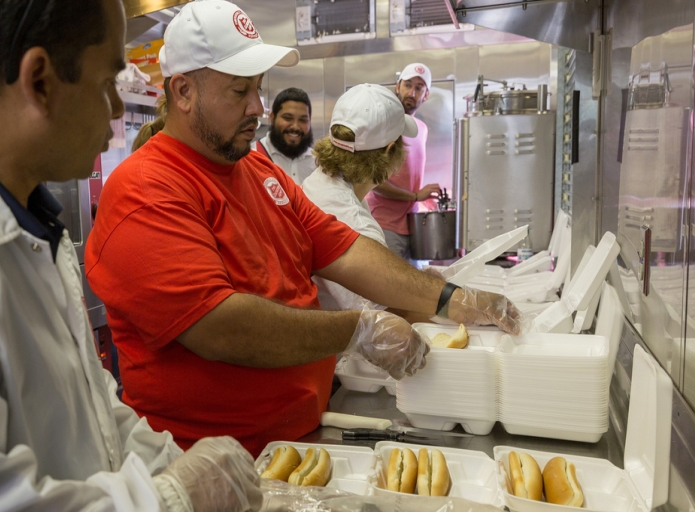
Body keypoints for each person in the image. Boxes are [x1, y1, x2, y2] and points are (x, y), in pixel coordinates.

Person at [85, 0, 523, 458]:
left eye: (258, 88)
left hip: (298, 444)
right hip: (212, 465)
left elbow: (345, 249)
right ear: (183, 91)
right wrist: (356, 330)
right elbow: (219, 327)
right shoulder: (146, 188)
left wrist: (451, 299)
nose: (258, 108)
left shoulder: (257, 168)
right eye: (240, 92)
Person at [0, 0, 262, 510]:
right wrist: (167, 496)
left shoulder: (37, 229)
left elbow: (93, 409)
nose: (119, 110)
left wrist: (178, 460)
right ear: (40, 81)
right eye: (106, 84)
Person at [303, 83, 412, 310]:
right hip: (340, 341)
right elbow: (381, 319)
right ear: (389, 150)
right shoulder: (358, 227)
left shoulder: (322, 181)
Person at [366, 63, 441, 260]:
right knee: (388, 288)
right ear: (397, 86)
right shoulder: (384, 125)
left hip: (413, 226)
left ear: (426, 95)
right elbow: (375, 182)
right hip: (384, 225)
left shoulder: (421, 129)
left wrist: (423, 200)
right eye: (407, 85)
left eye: (418, 88)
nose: (411, 92)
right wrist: (415, 196)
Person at [255, 87, 316, 185]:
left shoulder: (318, 163)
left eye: (303, 120)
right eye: (288, 118)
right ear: (272, 118)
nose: (295, 127)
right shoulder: (251, 156)